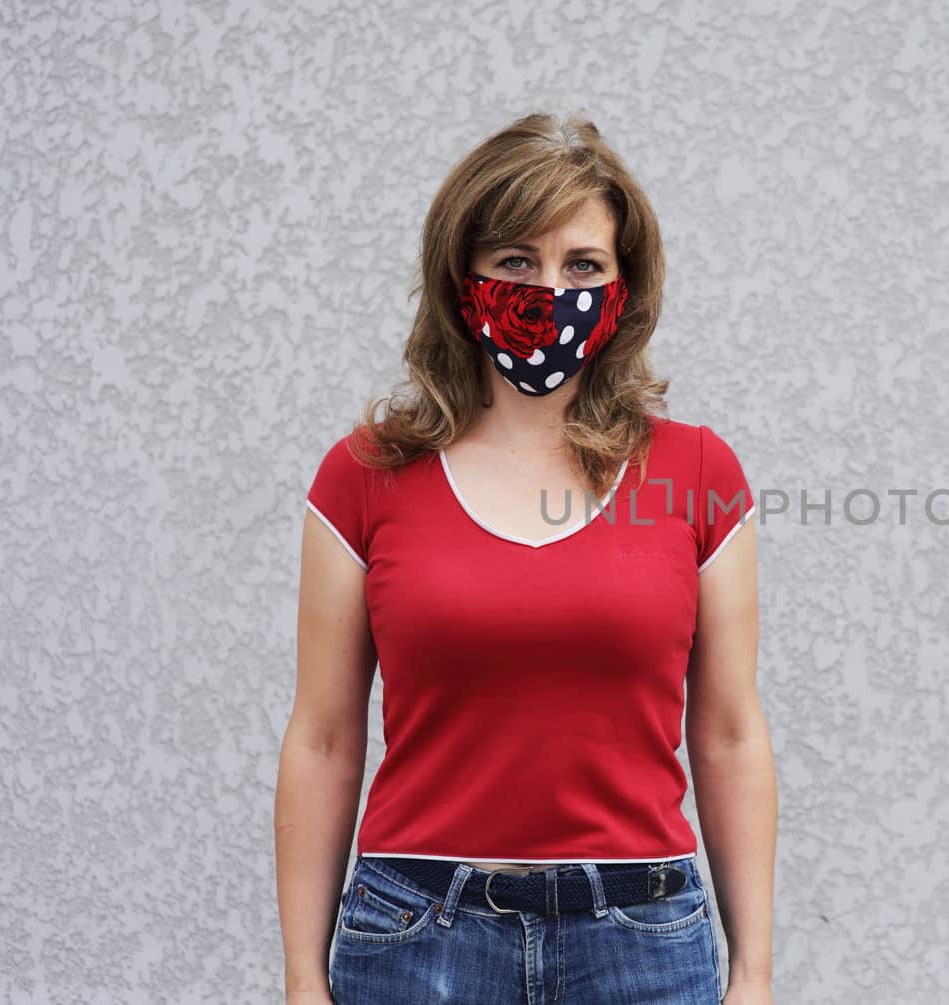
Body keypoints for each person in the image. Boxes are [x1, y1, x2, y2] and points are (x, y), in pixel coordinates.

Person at [275, 111, 778, 1005]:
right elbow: (322, 737)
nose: (551, 290)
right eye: (516, 261)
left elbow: (731, 730)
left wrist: (754, 973)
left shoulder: (696, 472)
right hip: (415, 939)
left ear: (625, 285)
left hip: (644, 941)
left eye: (583, 265)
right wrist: (303, 980)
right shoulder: (364, 476)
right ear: (461, 276)